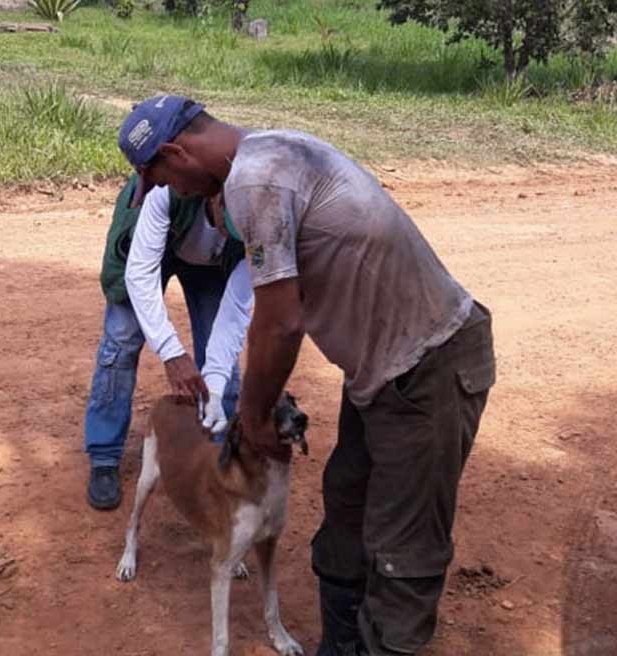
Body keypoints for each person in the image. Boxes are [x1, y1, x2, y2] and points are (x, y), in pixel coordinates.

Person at [116, 96, 496, 656]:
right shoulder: (266, 153)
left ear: (177, 152)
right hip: (376, 374)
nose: (176, 193)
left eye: (164, 179)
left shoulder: (256, 181)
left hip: (428, 365)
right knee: (346, 514)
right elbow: (257, 313)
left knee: (402, 552)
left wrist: (251, 417)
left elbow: (279, 323)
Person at [84, 172, 252, 509]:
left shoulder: (262, 230)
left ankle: (218, 452)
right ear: (215, 197)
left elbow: (235, 311)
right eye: (229, 223)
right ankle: (104, 455)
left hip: (213, 266)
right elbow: (138, 274)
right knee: (121, 342)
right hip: (153, 247)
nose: (230, 233)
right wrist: (171, 353)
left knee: (222, 364)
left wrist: (215, 382)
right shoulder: (168, 188)